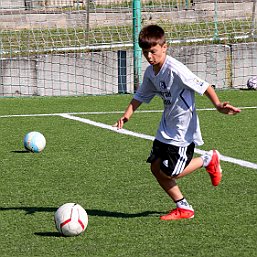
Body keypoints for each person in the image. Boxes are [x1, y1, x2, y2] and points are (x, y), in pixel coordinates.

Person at [113, 25, 241, 220]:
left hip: (182, 130)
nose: (149, 56)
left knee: (172, 172)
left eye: (153, 51)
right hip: (165, 128)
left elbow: (203, 85)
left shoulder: (175, 69)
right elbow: (140, 95)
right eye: (145, 52)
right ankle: (184, 207)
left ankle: (208, 159)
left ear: (165, 47)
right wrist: (127, 115)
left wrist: (217, 105)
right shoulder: (151, 72)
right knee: (156, 168)